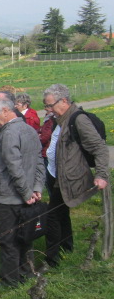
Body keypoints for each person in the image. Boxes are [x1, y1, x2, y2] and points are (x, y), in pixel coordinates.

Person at [43, 84, 109, 268]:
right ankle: (66, 248)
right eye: (46, 105)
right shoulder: (61, 119)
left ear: (64, 101)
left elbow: (99, 148)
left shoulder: (78, 120)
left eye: (50, 105)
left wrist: (102, 174)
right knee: (61, 214)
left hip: (69, 178)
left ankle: (52, 260)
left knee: (53, 216)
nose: (48, 109)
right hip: (57, 175)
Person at [0, 97, 45, 289]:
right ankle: (26, 274)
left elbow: (14, 166)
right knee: (25, 237)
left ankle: (10, 282)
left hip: (10, 196)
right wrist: (37, 188)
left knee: (8, 240)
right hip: (27, 196)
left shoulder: (9, 133)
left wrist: (28, 192)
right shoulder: (29, 129)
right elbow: (39, 161)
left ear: (5, 111)